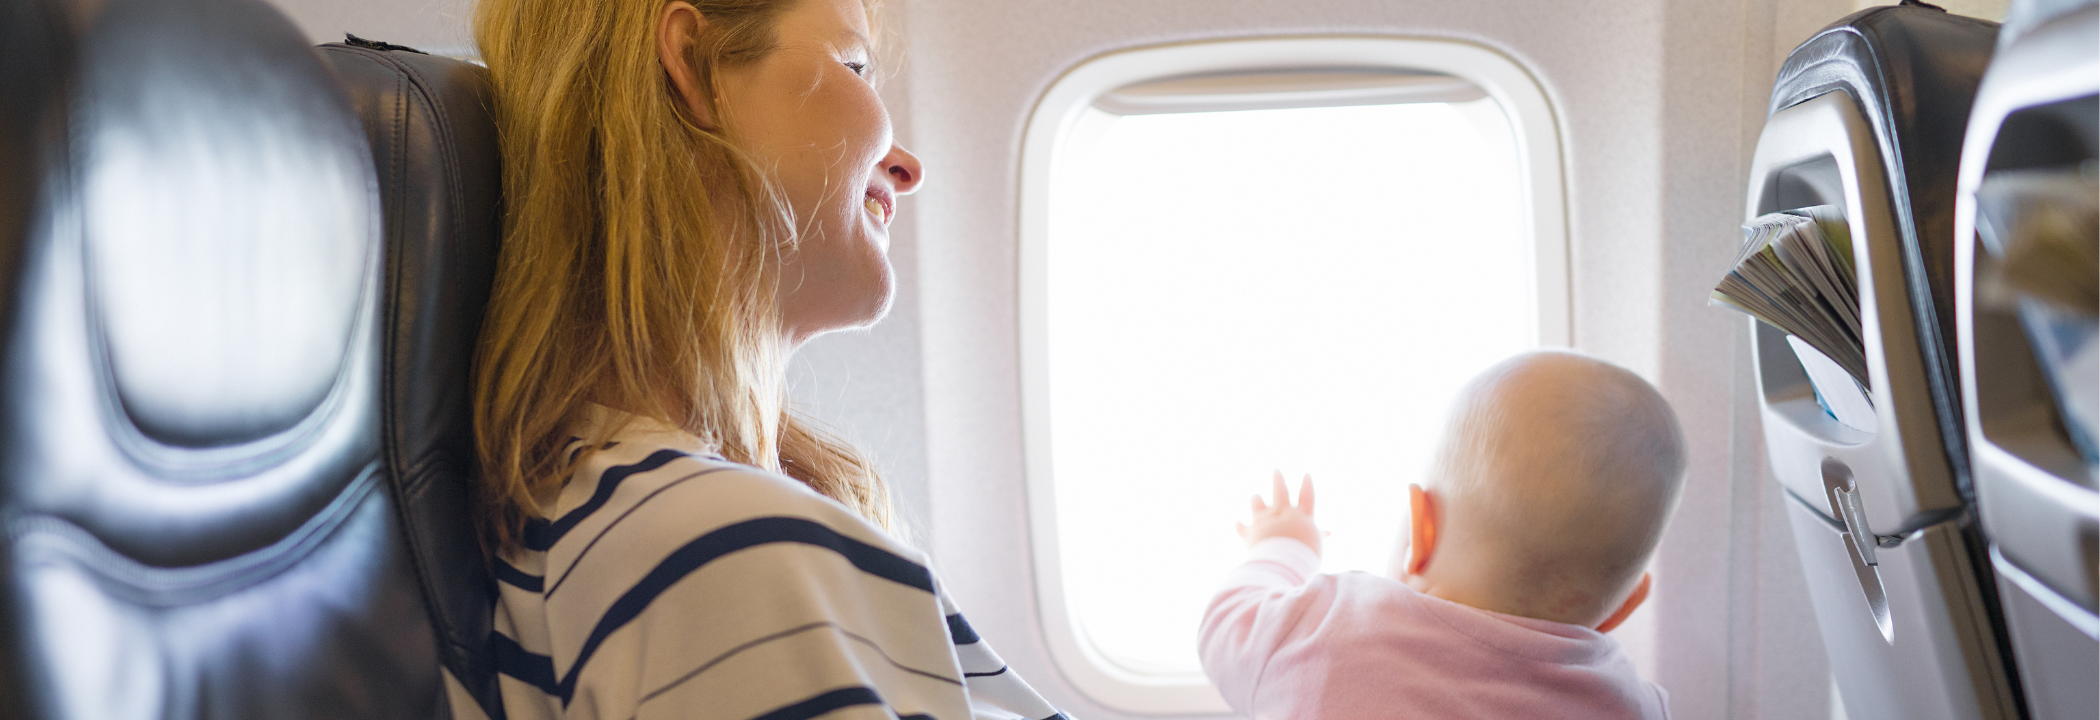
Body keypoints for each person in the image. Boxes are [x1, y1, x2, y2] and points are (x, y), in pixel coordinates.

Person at [467, 0, 1065, 718]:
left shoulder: (645, 515)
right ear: (693, 65)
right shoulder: (723, 553)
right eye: (852, 65)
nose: (909, 170)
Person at [1199, 351, 1685, 719]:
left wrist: (1284, 544)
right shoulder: (1638, 706)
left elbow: (1225, 625)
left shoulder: (1324, 628)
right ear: (1623, 607)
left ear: (1420, 531)